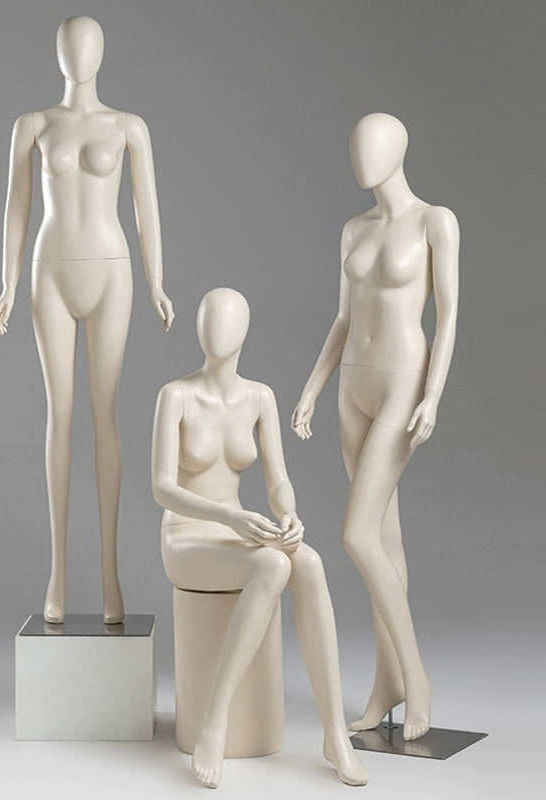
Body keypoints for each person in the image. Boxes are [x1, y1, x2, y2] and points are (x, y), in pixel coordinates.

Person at [0, 16, 173, 624]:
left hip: (111, 269)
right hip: (50, 269)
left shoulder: (128, 127)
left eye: (89, 43)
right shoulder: (32, 124)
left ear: (102, 52)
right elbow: (17, 206)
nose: (80, 52)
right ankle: (59, 575)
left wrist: (156, 280)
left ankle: (110, 577)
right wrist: (7, 282)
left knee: (105, 417)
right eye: (70, 43)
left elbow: (146, 209)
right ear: (58, 53)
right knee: (60, 416)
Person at [152, 288, 367, 788]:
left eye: (227, 320)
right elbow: (162, 488)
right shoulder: (175, 395)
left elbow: (277, 481)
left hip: (238, 530)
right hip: (187, 537)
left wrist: (288, 513)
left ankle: (334, 733)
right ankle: (214, 720)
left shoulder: (260, 397)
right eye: (208, 319)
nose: (216, 329)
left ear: (245, 330)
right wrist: (228, 515)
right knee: (272, 565)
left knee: (308, 562)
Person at [292, 112, 459, 740]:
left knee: (357, 534)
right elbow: (343, 319)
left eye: (373, 144)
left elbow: (448, 315)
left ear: (399, 149)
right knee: (386, 539)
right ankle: (387, 682)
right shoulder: (353, 229)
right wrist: (312, 388)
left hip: (401, 381)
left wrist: (433, 394)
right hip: (352, 387)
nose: (362, 156)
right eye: (355, 145)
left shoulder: (435, 221)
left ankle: (417, 677)